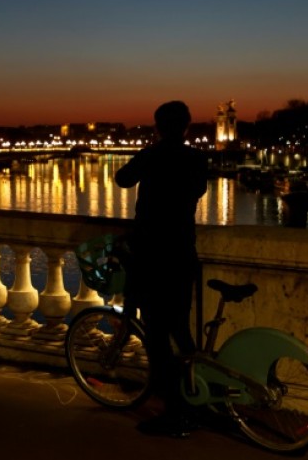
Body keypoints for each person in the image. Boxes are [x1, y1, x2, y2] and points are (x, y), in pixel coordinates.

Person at [115, 100, 208, 438]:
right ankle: (195, 400)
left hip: (152, 255)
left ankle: (174, 412)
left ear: (157, 126)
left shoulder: (151, 156)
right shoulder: (197, 159)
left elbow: (122, 179)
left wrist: (148, 154)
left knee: (156, 337)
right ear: (187, 127)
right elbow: (197, 190)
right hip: (182, 253)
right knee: (181, 332)